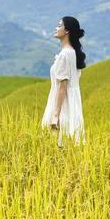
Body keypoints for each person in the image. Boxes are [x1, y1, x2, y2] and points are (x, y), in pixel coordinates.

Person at [41, 16, 87, 147]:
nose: (56, 28)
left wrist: (56, 114)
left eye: (59, 25)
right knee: (70, 143)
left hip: (64, 104)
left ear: (66, 31)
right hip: (73, 103)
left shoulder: (64, 55)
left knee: (59, 143)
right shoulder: (73, 53)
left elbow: (63, 87)